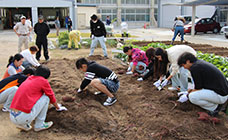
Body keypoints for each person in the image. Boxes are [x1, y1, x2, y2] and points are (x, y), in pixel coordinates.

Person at [10, 65, 67, 131]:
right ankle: (39, 125)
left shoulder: (29, 78)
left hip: (12, 116)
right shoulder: (43, 81)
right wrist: (58, 107)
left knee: (31, 99)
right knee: (46, 98)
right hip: (22, 117)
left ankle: (25, 125)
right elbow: (51, 96)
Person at [177, 52, 228, 116]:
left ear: (188, 61)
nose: (184, 68)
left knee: (192, 97)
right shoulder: (199, 64)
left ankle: (214, 108)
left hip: (220, 95)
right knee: (192, 94)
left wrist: (187, 95)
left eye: (183, 65)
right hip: (222, 93)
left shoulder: (194, 68)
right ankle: (215, 104)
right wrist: (187, 92)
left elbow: (198, 88)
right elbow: (198, 86)